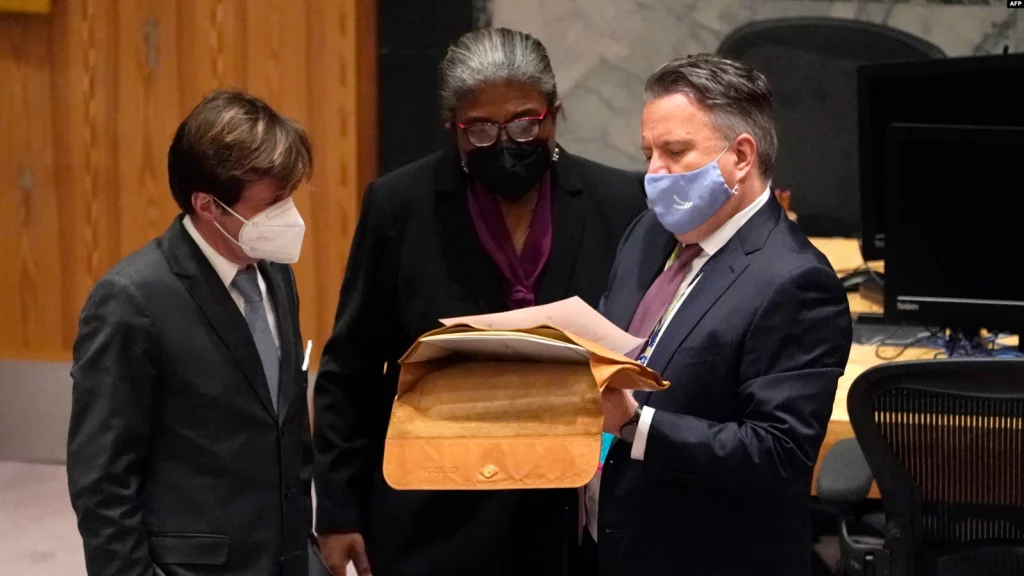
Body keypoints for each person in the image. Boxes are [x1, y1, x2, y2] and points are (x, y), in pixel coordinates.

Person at [313, 28, 648, 576]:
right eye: (482, 130)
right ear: (453, 128)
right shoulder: (400, 206)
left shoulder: (619, 201)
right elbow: (349, 369)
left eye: (524, 122)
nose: (507, 142)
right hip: (435, 515)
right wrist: (338, 511)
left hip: (574, 514)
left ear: (554, 115)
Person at [593, 54, 853, 576]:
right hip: (610, 541)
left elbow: (779, 452)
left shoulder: (796, 281)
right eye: (648, 153)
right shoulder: (647, 234)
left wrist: (634, 425)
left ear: (740, 156)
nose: (653, 174)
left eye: (674, 151)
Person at [67, 90, 320, 576]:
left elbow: (282, 424)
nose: (288, 216)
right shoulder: (131, 300)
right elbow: (101, 482)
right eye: (272, 202)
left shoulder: (274, 271)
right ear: (208, 204)